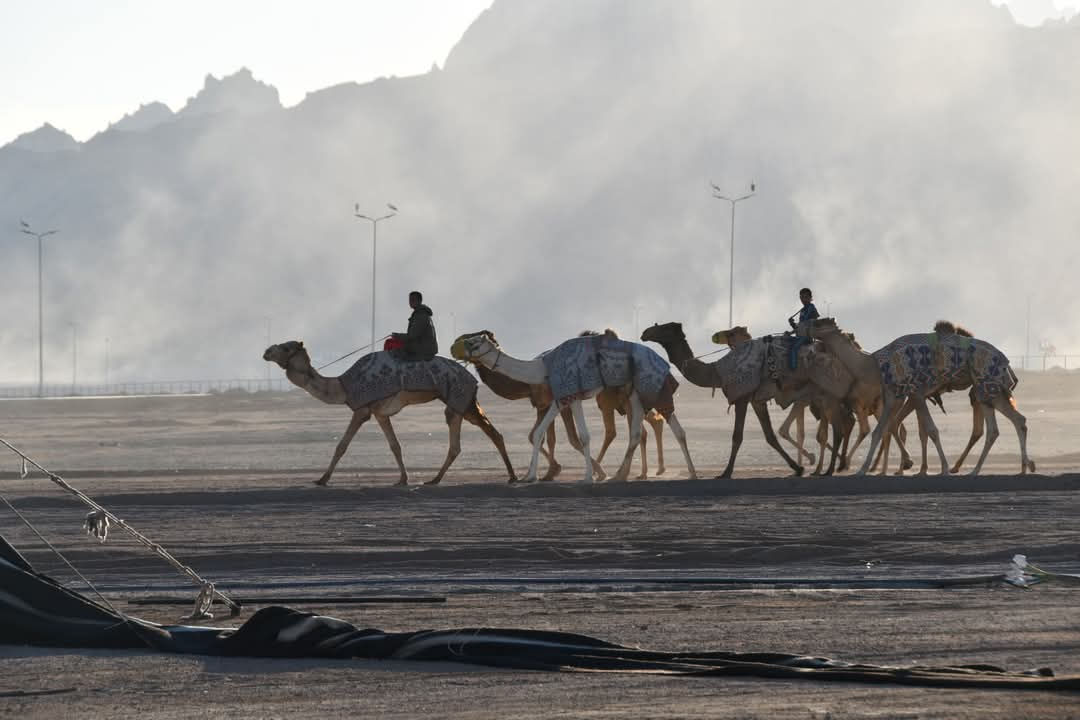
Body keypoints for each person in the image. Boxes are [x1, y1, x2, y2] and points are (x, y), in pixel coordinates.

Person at [391, 290, 438, 361]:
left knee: (394, 349)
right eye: (410, 300)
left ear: (419, 301)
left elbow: (412, 335)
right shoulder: (419, 314)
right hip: (423, 347)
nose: (410, 302)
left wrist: (397, 336)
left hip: (423, 350)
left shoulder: (421, 315)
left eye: (413, 300)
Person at [787, 287, 819, 369]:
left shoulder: (811, 308)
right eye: (801, 297)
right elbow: (800, 327)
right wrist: (792, 324)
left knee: (793, 349)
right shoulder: (802, 310)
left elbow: (810, 323)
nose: (803, 299)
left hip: (807, 336)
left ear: (810, 298)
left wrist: (793, 331)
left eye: (805, 297)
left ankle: (793, 369)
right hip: (800, 335)